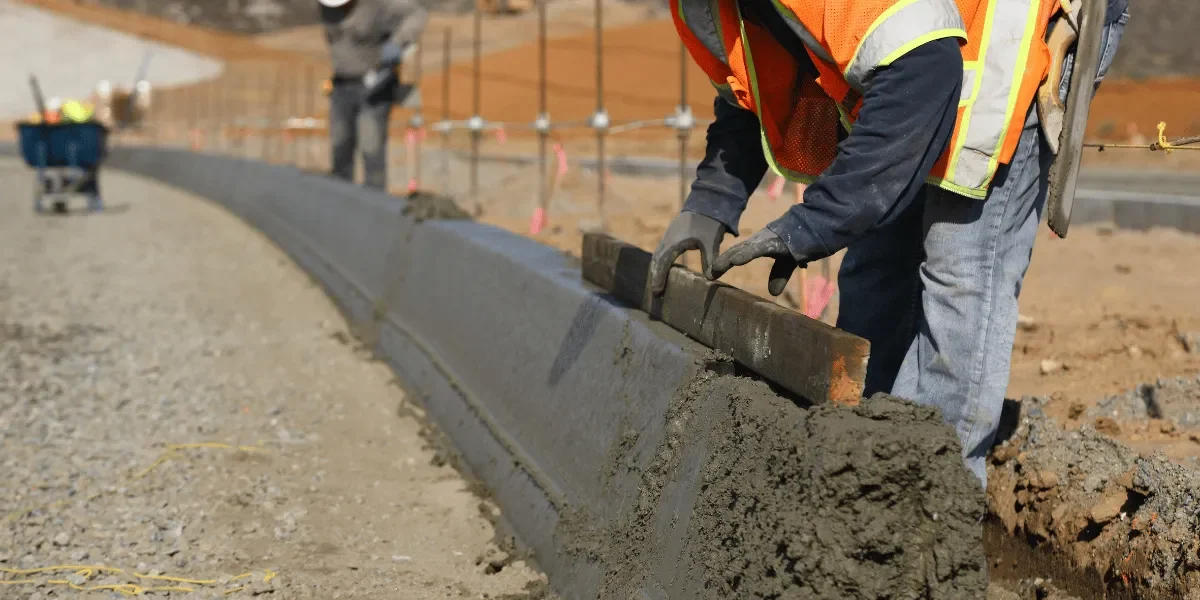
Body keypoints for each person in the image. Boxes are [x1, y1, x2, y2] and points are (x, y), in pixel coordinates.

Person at [650, 0, 1129, 487]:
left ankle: (936, 506)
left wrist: (816, 223)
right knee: (876, 268)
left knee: (961, 268)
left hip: (1015, 28)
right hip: (924, 52)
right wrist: (713, 199)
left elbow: (925, 70)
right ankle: (866, 473)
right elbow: (754, 69)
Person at [320, 0, 428, 191]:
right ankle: (340, 202)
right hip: (341, 86)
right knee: (340, 147)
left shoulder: (378, 5)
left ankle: (374, 200)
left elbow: (417, 15)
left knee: (371, 147)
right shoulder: (326, 7)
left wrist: (398, 42)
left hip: (374, 88)